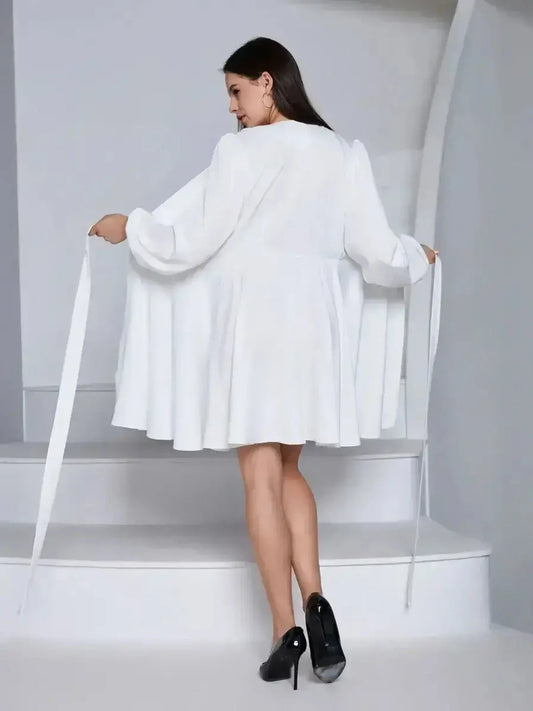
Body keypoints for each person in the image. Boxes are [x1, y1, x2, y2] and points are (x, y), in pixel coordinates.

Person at [88, 37, 438, 690]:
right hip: (313, 327)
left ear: (267, 81)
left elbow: (194, 241)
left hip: (255, 324)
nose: (231, 107)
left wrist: (129, 226)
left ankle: (285, 631)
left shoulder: (240, 151)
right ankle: (317, 601)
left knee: (258, 477)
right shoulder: (341, 152)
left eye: (236, 90)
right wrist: (415, 256)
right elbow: (372, 249)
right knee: (289, 468)